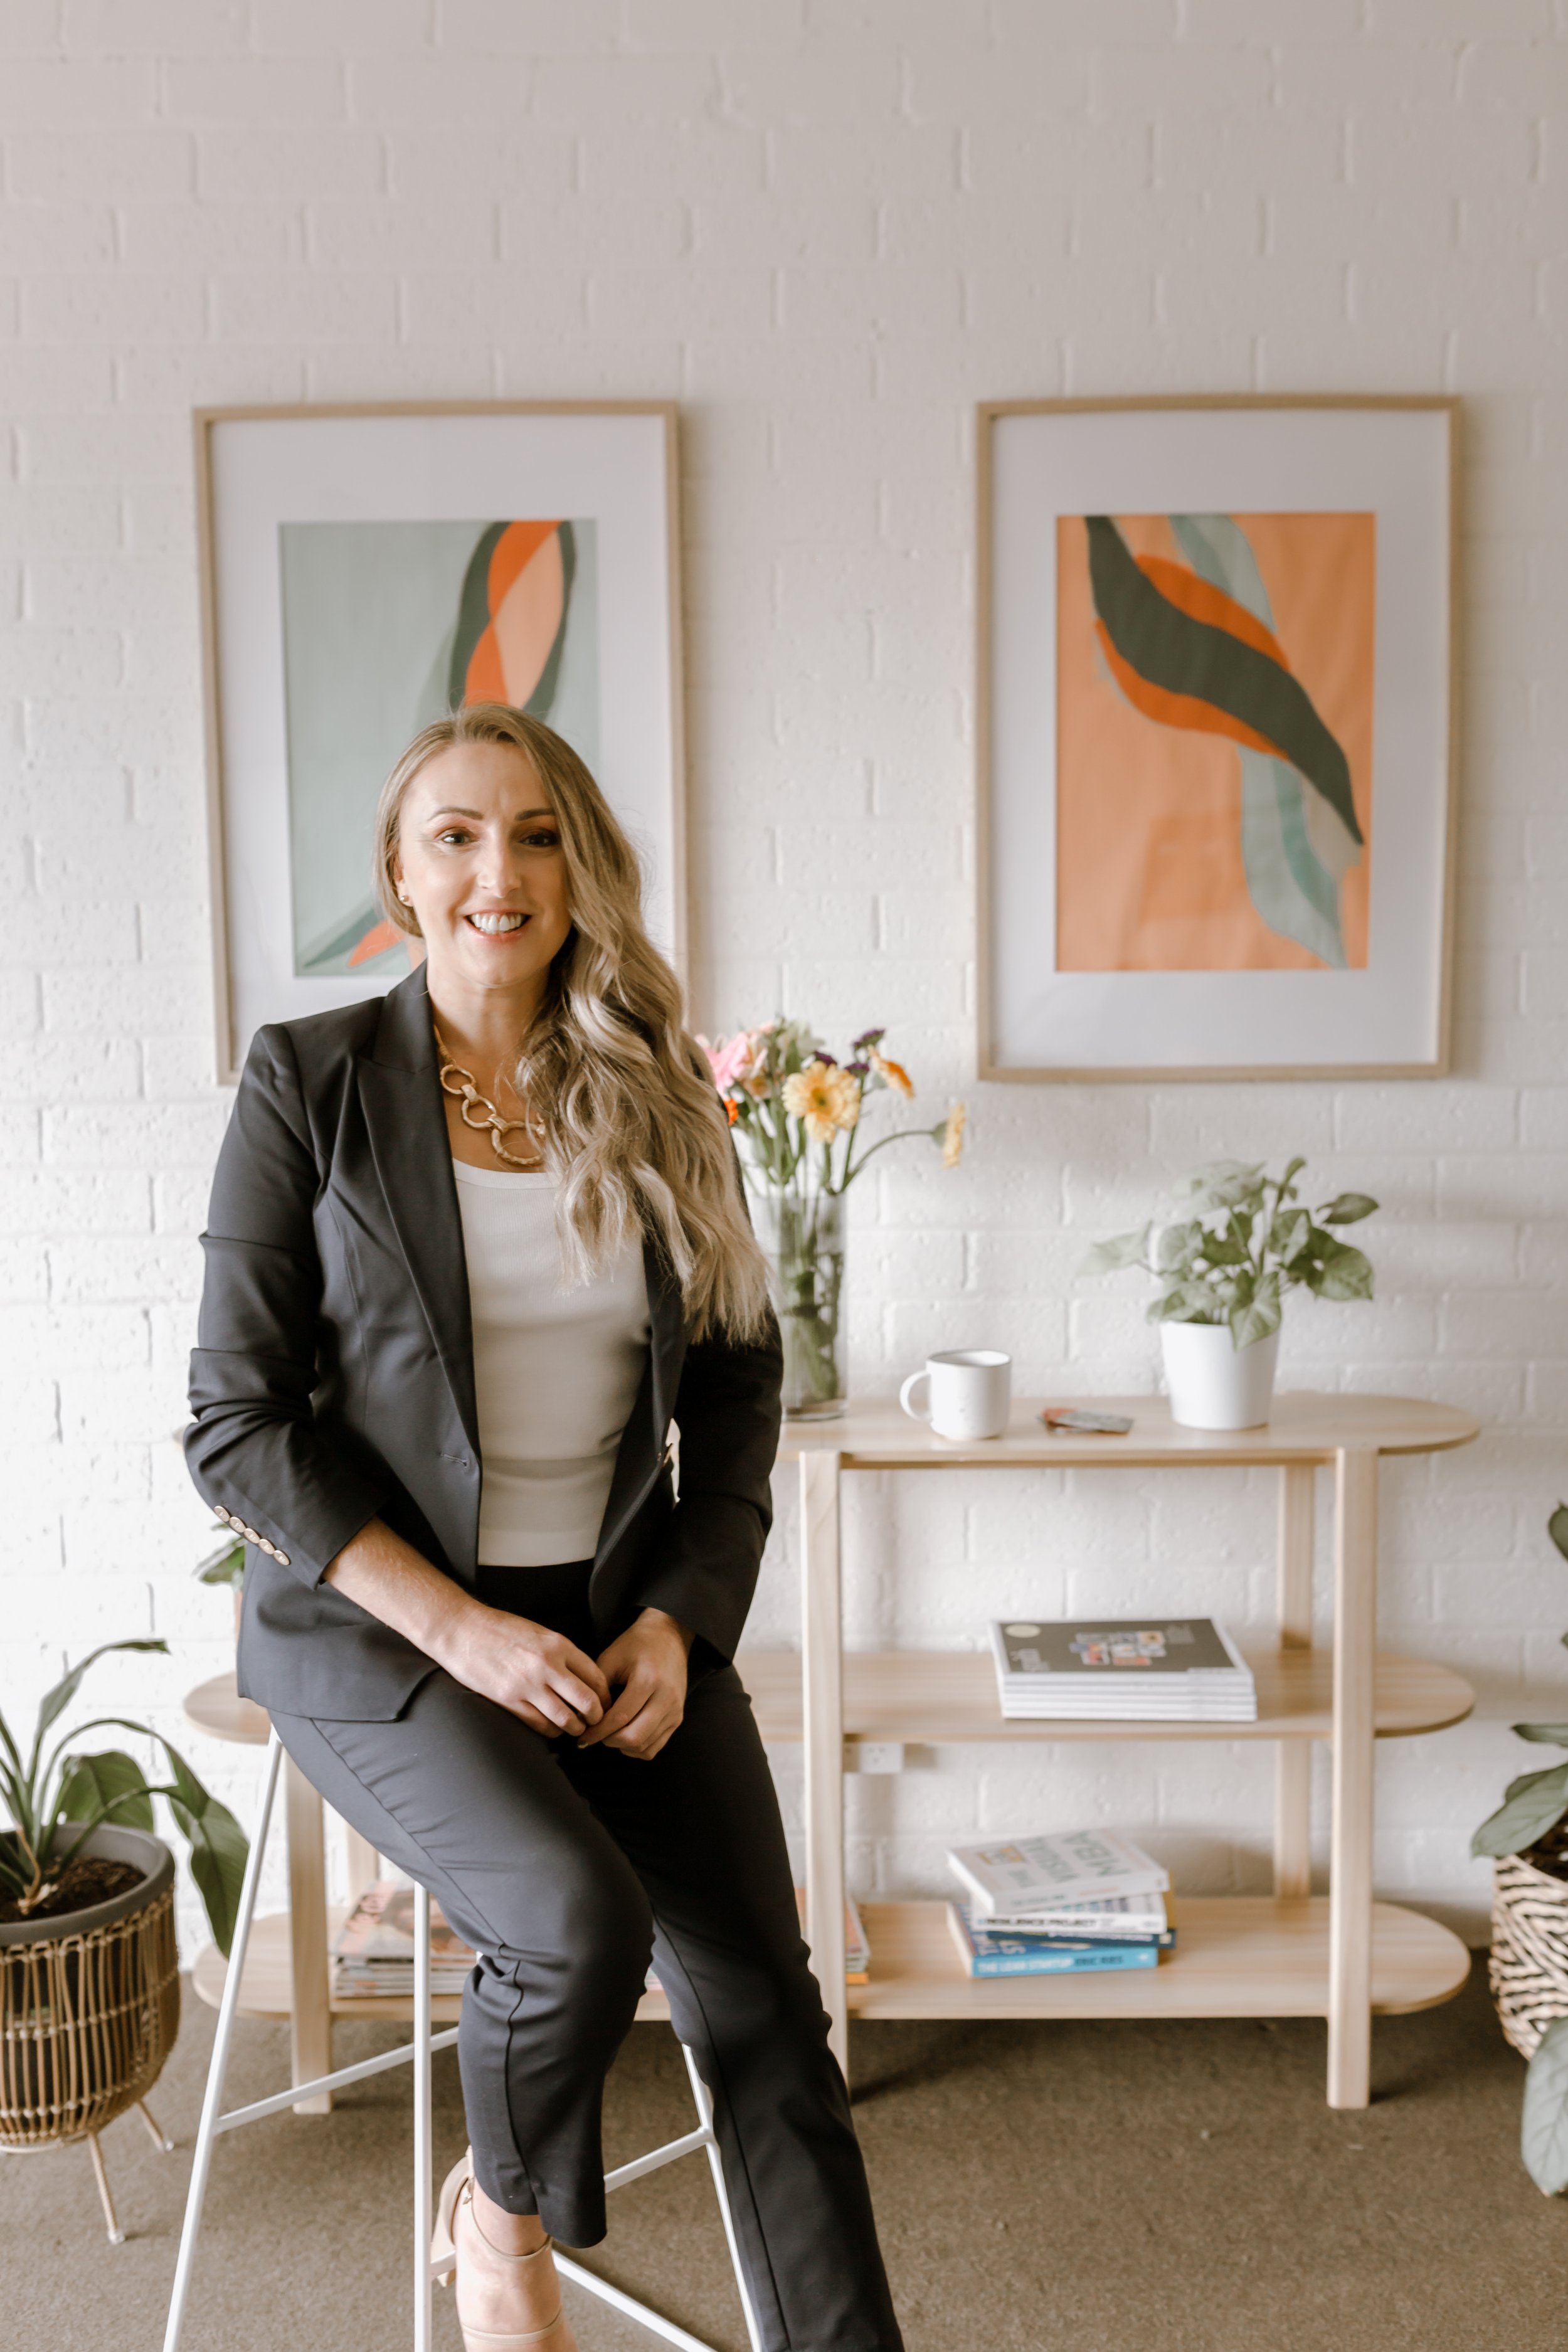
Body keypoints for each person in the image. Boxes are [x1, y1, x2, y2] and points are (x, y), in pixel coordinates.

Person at [185, 703, 904, 2352]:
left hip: (616, 1617)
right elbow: (235, 1419)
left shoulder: (660, 1093)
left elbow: (732, 1395)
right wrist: (457, 1626)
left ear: (581, 867)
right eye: (455, 835)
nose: (495, 870)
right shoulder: (311, 1083)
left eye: (534, 833)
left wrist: (678, 1619)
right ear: (399, 876)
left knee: (770, 2019)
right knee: (576, 1924)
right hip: (385, 1629)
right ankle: (498, 2224)